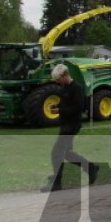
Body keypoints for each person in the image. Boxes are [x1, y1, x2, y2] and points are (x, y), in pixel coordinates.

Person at [41, 64, 99, 192]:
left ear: (65, 75)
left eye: (58, 79)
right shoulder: (64, 87)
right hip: (65, 124)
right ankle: (91, 168)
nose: (57, 82)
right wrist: (56, 106)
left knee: (56, 153)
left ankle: (57, 183)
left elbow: (78, 108)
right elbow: (65, 103)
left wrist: (59, 110)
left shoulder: (76, 88)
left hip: (72, 126)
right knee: (66, 153)